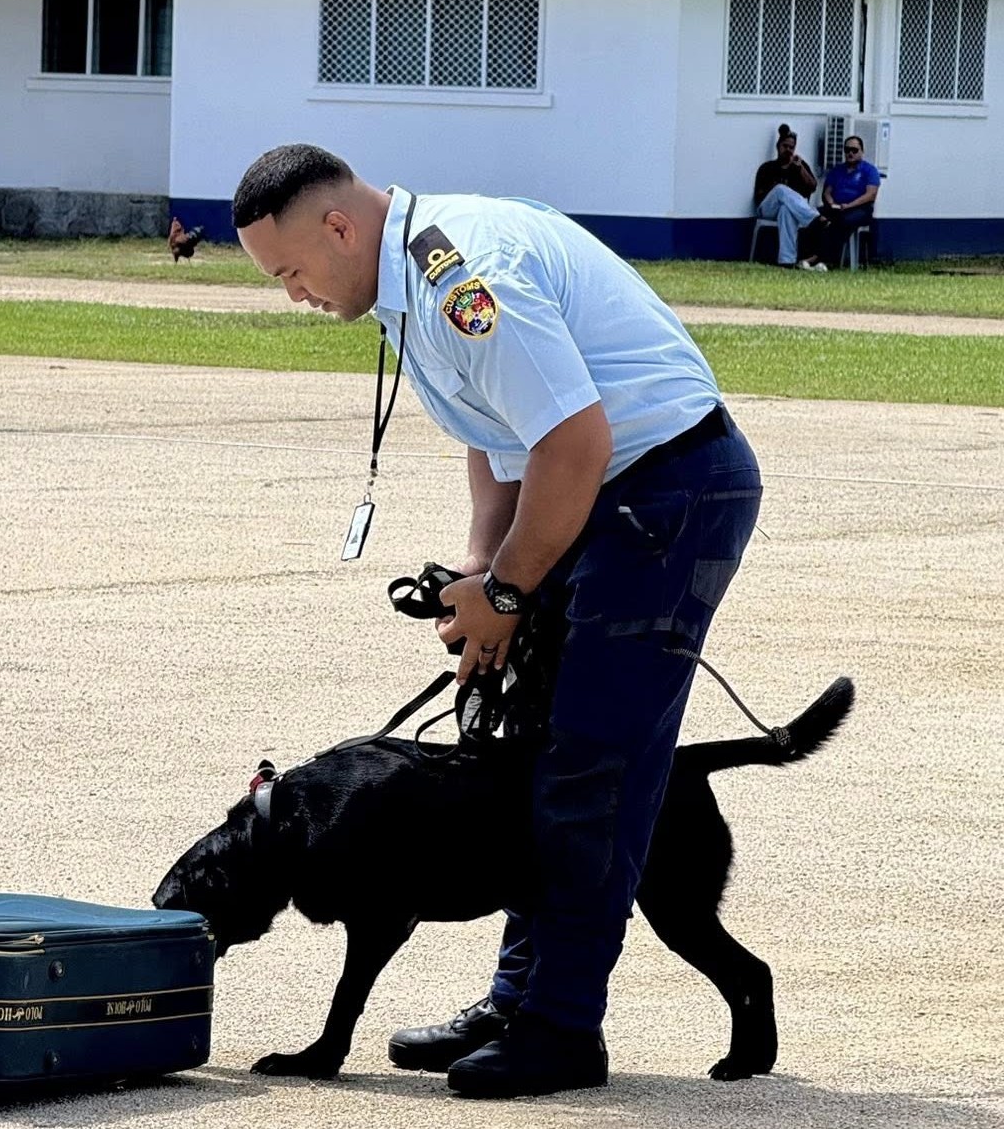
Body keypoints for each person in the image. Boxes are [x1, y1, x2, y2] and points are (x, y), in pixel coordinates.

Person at [232, 144, 763, 1098]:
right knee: (526, 760)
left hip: (666, 493)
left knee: (591, 769)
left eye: (292, 272)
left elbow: (574, 438)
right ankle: (519, 1000)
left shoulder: (457, 275)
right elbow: (503, 442)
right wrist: (481, 578)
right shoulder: (404, 283)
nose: (294, 295)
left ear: (340, 229)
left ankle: (561, 1028)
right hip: (595, 493)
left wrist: (511, 594)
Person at [800, 135, 881, 272]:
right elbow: (827, 192)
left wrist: (849, 206)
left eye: (854, 150)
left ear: (862, 152)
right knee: (813, 216)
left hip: (860, 208)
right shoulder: (837, 171)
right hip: (837, 207)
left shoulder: (870, 170)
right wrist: (832, 203)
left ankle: (822, 259)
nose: (850, 153)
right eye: (847, 150)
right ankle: (805, 256)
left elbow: (871, 195)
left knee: (843, 221)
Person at [752, 124, 820, 268]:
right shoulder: (767, 167)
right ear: (778, 147)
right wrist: (776, 190)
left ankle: (786, 261)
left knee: (786, 210)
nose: (788, 150)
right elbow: (759, 196)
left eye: (791, 147)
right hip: (767, 208)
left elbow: (813, 186)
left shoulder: (800, 166)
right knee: (781, 190)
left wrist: (800, 168)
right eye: (785, 146)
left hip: (792, 211)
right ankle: (814, 219)